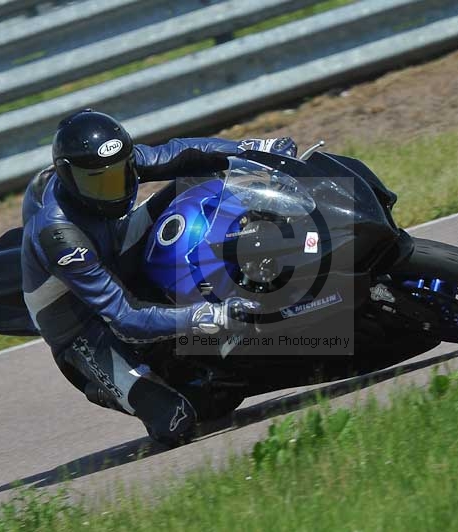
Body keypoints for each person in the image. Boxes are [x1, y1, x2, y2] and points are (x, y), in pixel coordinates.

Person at [20, 109, 297, 446]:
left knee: (201, 179)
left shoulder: (118, 162)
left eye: (119, 174)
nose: (113, 190)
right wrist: (207, 316)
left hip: (115, 252)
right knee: (177, 423)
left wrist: (253, 150)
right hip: (81, 324)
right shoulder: (58, 234)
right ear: (68, 177)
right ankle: (110, 383)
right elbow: (125, 317)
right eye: (98, 183)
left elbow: (182, 152)